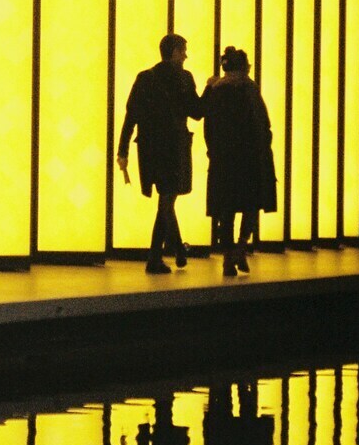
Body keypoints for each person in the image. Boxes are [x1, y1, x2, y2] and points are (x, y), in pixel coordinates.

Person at [117, 33, 203, 274]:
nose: (186, 55)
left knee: (166, 198)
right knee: (168, 199)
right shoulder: (184, 78)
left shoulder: (145, 78)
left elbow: (130, 115)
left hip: (149, 148)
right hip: (174, 146)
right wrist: (210, 89)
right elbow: (196, 111)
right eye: (184, 50)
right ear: (175, 51)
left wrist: (122, 150)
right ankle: (155, 257)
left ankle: (176, 249)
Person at [200, 46, 277, 277]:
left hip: (224, 159)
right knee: (251, 205)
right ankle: (241, 248)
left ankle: (227, 257)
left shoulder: (217, 91)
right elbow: (262, 125)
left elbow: (209, 127)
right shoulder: (249, 89)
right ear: (244, 67)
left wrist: (213, 151)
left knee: (226, 210)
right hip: (250, 159)